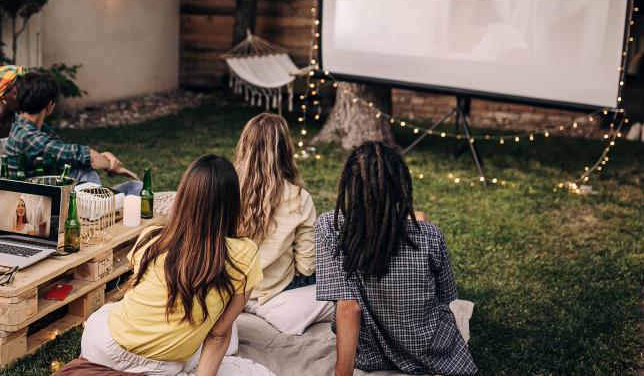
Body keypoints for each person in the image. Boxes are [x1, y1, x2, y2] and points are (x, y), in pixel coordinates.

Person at [80, 154, 262, 375]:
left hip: (103, 348)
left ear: (184, 197)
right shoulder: (245, 254)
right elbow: (217, 335)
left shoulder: (152, 238)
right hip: (162, 367)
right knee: (222, 328)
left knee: (109, 311)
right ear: (233, 202)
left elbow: (138, 293)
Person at [316, 141, 477, 376]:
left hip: (370, 354)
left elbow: (348, 308)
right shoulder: (430, 236)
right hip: (431, 354)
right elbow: (448, 298)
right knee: (422, 219)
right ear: (401, 186)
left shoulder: (330, 228)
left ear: (350, 185)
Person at [4, 72, 141, 195]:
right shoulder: (28, 137)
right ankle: (101, 210)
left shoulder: (28, 127)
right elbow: (83, 156)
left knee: (136, 187)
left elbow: (68, 154)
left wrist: (104, 158)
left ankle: (108, 202)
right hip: (37, 204)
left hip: (52, 192)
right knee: (86, 173)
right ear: (50, 105)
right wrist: (111, 165)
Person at [235, 113, 316, 303]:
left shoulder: (224, 187)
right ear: (285, 149)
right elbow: (306, 266)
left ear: (244, 146)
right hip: (277, 288)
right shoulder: (299, 198)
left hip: (232, 286)